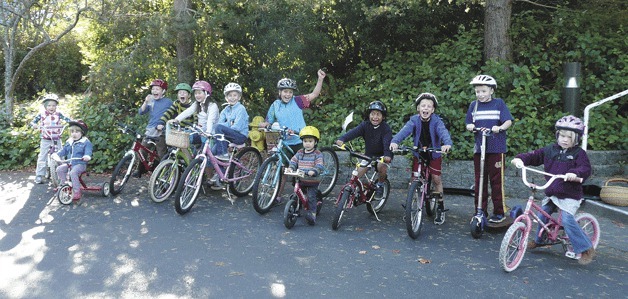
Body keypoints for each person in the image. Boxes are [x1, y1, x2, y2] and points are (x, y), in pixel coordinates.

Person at [511, 115, 595, 265]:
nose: (564, 140)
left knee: (568, 220)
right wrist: (521, 159)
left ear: (576, 139)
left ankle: (585, 248)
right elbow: (534, 156)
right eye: (562, 136)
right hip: (552, 192)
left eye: (569, 137)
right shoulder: (550, 150)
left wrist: (575, 173)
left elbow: (585, 168)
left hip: (569, 194)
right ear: (557, 135)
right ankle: (539, 240)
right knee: (541, 215)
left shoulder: (578, 154)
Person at [257, 69, 326, 202]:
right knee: (283, 169)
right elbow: (268, 121)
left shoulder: (298, 101)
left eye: (290, 92)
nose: (287, 94)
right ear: (280, 92)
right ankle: (277, 196)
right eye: (285, 91)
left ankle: (306, 195)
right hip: (284, 141)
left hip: (300, 140)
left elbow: (315, 94)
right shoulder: (275, 105)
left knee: (303, 169)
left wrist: (320, 79)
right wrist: (263, 124)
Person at [389, 92, 453, 225]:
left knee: (436, 179)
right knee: (414, 179)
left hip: (433, 152)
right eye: (423, 105)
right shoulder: (414, 120)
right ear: (418, 108)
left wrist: (446, 144)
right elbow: (404, 131)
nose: (426, 108)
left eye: (429, 106)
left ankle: (440, 207)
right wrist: (395, 141)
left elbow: (443, 132)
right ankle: (411, 206)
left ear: (433, 110)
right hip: (419, 153)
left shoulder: (437, 121)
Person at [465, 74, 513, 223]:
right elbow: (468, 123)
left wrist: (499, 127)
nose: (480, 94)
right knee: (480, 181)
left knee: (496, 181)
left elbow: (508, 121)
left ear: (491, 90)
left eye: (483, 91)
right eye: (478, 91)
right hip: (480, 149)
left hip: (496, 149)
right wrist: (471, 127)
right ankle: (480, 211)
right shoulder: (474, 105)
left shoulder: (498, 103)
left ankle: (499, 212)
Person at [335, 100, 393, 198]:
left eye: (378, 114)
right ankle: (351, 192)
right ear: (368, 115)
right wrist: (342, 139)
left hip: (383, 154)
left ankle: (380, 184)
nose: (375, 117)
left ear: (383, 117)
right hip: (369, 155)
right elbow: (354, 132)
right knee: (357, 175)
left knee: (381, 166)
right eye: (373, 114)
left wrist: (387, 155)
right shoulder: (365, 125)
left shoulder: (386, 128)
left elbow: (387, 142)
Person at [209, 82, 250, 190]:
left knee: (219, 130)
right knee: (212, 152)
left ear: (239, 97)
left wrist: (226, 125)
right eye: (229, 95)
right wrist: (228, 124)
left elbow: (236, 126)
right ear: (226, 97)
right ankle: (221, 174)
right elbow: (220, 123)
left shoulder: (241, 109)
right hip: (227, 135)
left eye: (235, 95)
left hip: (239, 135)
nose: (232, 98)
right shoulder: (225, 110)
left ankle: (223, 155)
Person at [30, 93, 72, 184]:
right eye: (49, 105)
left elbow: (67, 119)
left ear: (56, 106)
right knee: (42, 156)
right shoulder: (41, 114)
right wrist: (34, 125)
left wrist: (72, 122)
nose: (51, 107)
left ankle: (63, 174)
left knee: (60, 155)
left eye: (53, 105)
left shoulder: (59, 114)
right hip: (46, 139)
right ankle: (39, 175)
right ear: (45, 106)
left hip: (57, 138)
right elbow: (33, 122)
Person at [286, 126, 325, 225]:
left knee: (311, 197)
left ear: (315, 142)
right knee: (297, 194)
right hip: (301, 179)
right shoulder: (299, 153)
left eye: (310, 141)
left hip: (312, 180)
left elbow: (320, 164)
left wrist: (314, 170)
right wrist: (291, 167)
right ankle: (296, 208)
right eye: (305, 141)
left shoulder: (317, 154)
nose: (307, 143)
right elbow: (294, 161)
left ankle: (312, 213)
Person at [135, 79, 173, 177]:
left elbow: (173, 114)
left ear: (163, 91)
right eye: (153, 89)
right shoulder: (151, 101)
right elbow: (141, 112)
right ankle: (140, 169)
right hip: (150, 129)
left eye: (157, 89)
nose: (154, 91)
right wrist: (145, 102)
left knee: (161, 152)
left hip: (161, 131)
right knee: (142, 149)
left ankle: (164, 173)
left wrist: (166, 124)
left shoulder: (168, 102)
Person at [51, 120, 93, 201]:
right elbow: (64, 151)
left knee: (73, 172)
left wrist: (87, 156)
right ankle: (64, 186)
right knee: (60, 169)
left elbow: (88, 151)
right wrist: (57, 154)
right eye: (72, 131)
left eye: (77, 132)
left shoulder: (85, 142)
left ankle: (77, 191)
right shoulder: (69, 142)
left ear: (82, 133)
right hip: (70, 163)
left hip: (80, 164)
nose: (74, 134)